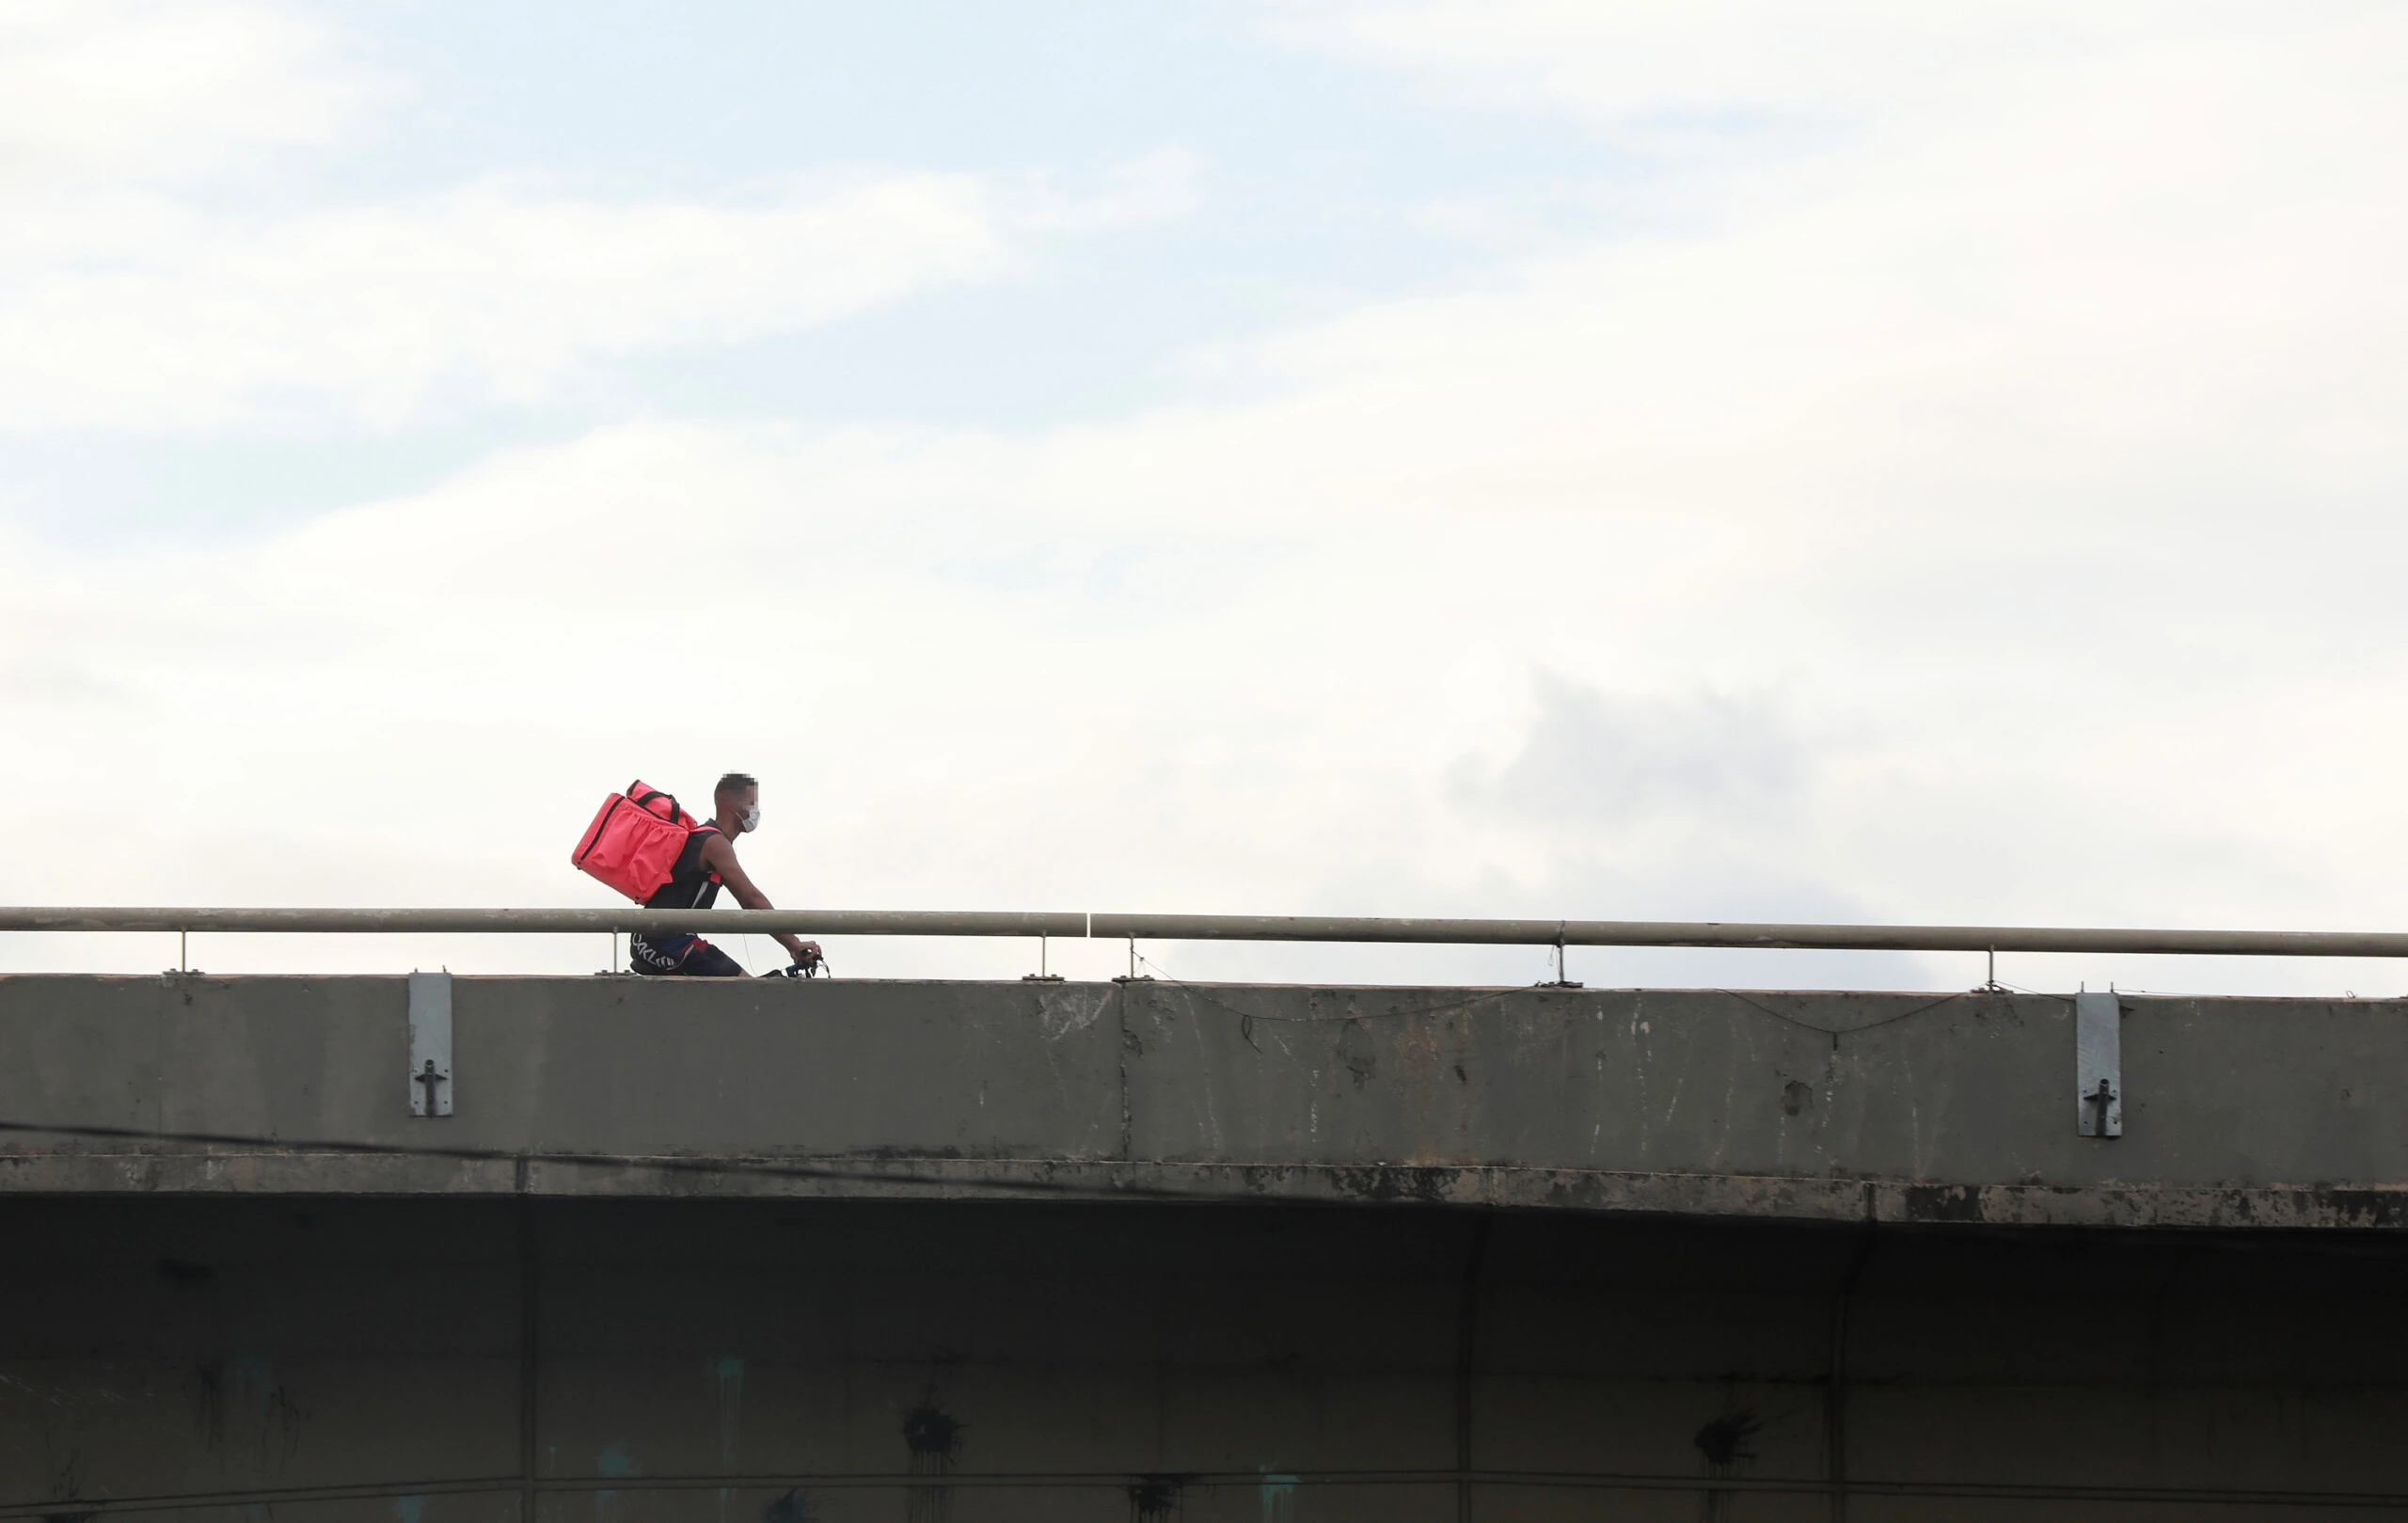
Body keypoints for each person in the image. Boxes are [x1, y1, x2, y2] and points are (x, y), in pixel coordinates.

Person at [628, 772, 823, 976]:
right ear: (731, 803)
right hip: (661, 942)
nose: (756, 811)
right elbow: (751, 898)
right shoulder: (714, 842)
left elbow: (746, 900)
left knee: (737, 987)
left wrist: (790, 944)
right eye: (752, 803)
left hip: (663, 940)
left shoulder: (714, 841)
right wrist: (794, 943)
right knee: (744, 990)